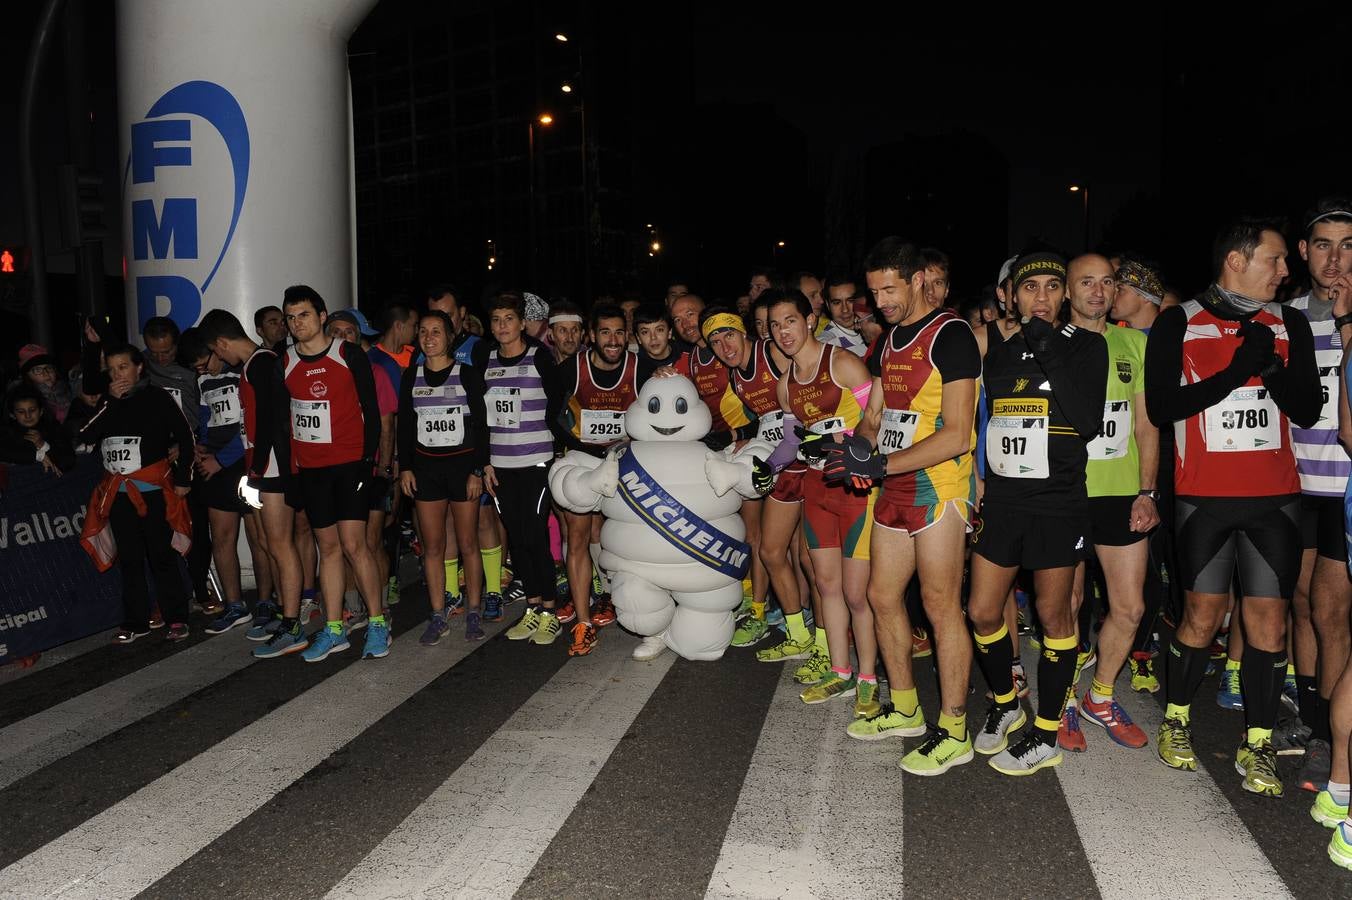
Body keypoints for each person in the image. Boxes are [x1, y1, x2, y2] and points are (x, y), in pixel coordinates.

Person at [1145, 217, 1320, 797]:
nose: (1286, 270)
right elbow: (1163, 407)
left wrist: (1272, 371)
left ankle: (1259, 742)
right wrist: (1237, 370)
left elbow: (1307, 410)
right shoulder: (1179, 321)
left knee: (1269, 622)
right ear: (1237, 261)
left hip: (1275, 499)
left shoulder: (1289, 322)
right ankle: (1176, 718)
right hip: (1205, 498)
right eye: (1275, 258)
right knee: (1202, 617)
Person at [825, 237, 980, 775]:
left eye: (889, 289)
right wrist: (855, 447)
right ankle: (907, 708)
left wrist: (881, 465)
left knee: (940, 606)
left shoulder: (952, 334)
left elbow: (957, 433)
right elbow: (876, 416)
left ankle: (955, 731)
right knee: (882, 595)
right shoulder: (890, 340)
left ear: (917, 280)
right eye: (874, 292)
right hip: (893, 488)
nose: (881, 301)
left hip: (939, 489)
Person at [965, 251, 1107, 776]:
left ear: (1064, 294)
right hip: (1004, 500)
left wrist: (1047, 345)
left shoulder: (1087, 345)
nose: (1041, 297)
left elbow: (1088, 421)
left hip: (1057, 503)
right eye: (1030, 288)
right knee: (982, 610)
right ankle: (1006, 704)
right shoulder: (998, 352)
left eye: (1051, 286)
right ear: (1011, 296)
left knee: (1054, 617)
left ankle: (1046, 733)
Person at [1055, 254, 1157, 753]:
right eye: (1086, 282)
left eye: (1107, 282)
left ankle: (1100, 695)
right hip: (1066, 493)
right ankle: (1063, 703)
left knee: (1130, 606)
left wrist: (1147, 491)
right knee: (1067, 606)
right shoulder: (1049, 344)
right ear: (1067, 290)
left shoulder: (1134, 343)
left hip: (1121, 493)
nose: (1098, 291)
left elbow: (1146, 425)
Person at [771, 290, 880, 715]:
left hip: (855, 491)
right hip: (816, 491)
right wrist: (767, 466)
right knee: (826, 586)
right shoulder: (785, 385)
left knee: (856, 593)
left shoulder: (843, 364)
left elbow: (877, 421)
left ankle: (868, 678)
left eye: (790, 321)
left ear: (809, 320)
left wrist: (842, 441)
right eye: (775, 325)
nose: (783, 332)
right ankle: (840, 671)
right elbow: (790, 443)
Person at [280, 286, 391, 662]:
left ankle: (378, 622)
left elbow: (372, 412)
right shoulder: (286, 361)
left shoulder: (348, 354)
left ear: (322, 316)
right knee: (326, 549)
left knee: (355, 546)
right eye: (291, 317)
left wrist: (368, 463)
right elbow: (285, 421)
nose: (297, 323)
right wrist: (291, 473)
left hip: (349, 467)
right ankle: (333, 629)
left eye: (304, 315)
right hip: (312, 471)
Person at [197, 309, 308, 659]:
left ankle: (292, 625)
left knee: (280, 545)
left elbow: (274, 421)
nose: (218, 358)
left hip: (273, 469)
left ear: (221, 343)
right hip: (265, 468)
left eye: (215, 351)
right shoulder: (254, 364)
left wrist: (256, 470)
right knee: (273, 543)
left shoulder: (261, 363)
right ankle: (285, 617)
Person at [552, 302, 653, 655]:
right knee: (578, 536)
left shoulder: (642, 369)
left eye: (619, 333)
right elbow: (552, 420)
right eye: (605, 332)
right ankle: (583, 622)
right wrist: (586, 451)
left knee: (617, 537)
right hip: (584, 460)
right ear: (592, 335)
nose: (613, 340)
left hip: (626, 462)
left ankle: (615, 597)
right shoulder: (570, 370)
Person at [77, 344, 195, 643]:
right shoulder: (107, 402)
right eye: (112, 369)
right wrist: (111, 402)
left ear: (139, 367)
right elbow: (85, 435)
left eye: (123, 367)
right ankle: (136, 621)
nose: (118, 375)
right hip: (117, 494)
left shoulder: (157, 397)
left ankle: (177, 617)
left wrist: (184, 477)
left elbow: (185, 436)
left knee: (161, 555)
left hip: (153, 491)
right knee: (129, 558)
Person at [476, 292, 571, 646]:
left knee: (534, 536)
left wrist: (559, 449)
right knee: (516, 540)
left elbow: (559, 403)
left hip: (536, 462)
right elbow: (480, 417)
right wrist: (484, 462)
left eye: (509, 319)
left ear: (521, 324)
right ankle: (532, 607)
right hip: (501, 466)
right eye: (496, 320)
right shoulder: (486, 360)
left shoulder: (539, 357)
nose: (502, 326)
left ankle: (550, 611)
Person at [700, 305, 790, 652]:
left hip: (797, 454)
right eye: (715, 342)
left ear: (743, 332)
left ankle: (804, 616)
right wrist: (741, 436)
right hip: (768, 451)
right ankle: (758, 608)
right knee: (758, 539)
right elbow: (765, 418)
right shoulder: (735, 373)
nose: (725, 347)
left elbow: (804, 396)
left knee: (795, 551)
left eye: (729, 336)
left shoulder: (772, 353)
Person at [398, 310, 490, 643]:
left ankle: (474, 609)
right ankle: (438, 615)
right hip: (426, 472)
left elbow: (481, 426)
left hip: (462, 471)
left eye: (436, 331)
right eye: (423, 331)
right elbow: (405, 425)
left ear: (450, 337)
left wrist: (477, 470)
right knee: (433, 546)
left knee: (467, 543)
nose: (429, 338)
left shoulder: (466, 374)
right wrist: (405, 467)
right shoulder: (412, 376)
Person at [179, 328, 252, 634]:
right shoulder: (203, 379)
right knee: (221, 536)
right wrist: (203, 445)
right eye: (196, 368)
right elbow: (208, 417)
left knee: (261, 539)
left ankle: (267, 602)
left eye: (204, 363)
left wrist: (221, 460)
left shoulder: (244, 370)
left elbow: (249, 424)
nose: (203, 370)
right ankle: (235, 605)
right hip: (216, 466)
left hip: (245, 462)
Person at [2, 385, 75, 474]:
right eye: (21, 412)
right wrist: (38, 456)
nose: (28, 416)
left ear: (41, 411)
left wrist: (43, 445)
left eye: (32, 410)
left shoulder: (52, 428)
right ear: (12, 414)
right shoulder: (7, 432)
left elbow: (68, 461)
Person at [16, 344, 73, 424]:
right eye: (37, 370)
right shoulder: (25, 398)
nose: (46, 373)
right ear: (28, 376)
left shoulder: (68, 390)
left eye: (49, 368)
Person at [818, 274, 869, 357]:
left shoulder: (872, 329)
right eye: (837, 303)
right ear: (827, 305)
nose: (845, 309)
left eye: (850, 300)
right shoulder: (827, 344)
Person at [1110, 260, 1163, 333]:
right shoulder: (1108, 335)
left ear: (1146, 296)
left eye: (1120, 289)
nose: (1111, 295)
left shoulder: (1172, 337)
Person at [633, 305, 689, 371]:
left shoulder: (689, 356)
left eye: (659, 330)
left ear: (669, 333)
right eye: (645, 332)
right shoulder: (634, 368)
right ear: (638, 338)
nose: (653, 337)